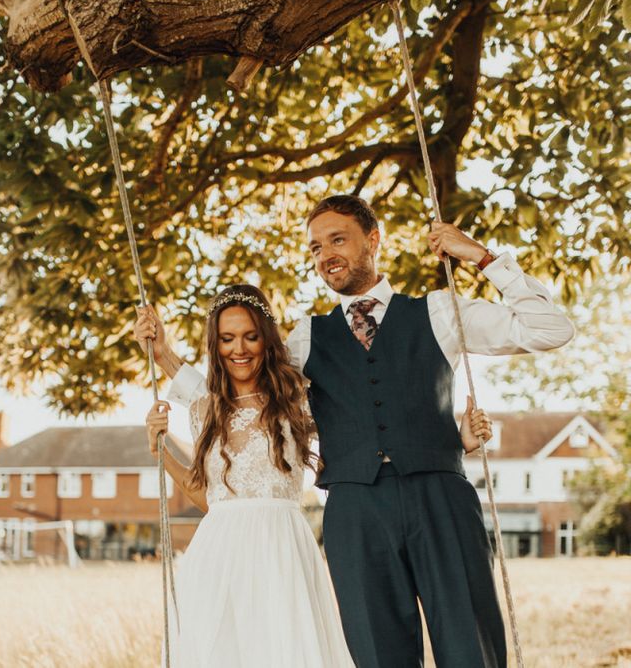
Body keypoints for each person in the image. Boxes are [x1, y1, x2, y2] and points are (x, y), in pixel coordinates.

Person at [136, 195, 575, 668]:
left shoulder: (438, 311)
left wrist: (481, 257)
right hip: (354, 511)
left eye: (337, 239)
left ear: (373, 240)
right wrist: (164, 356)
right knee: (377, 655)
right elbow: (239, 392)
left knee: (471, 647)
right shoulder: (306, 337)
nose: (326, 254)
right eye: (315, 247)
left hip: (441, 499)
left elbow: (549, 329)